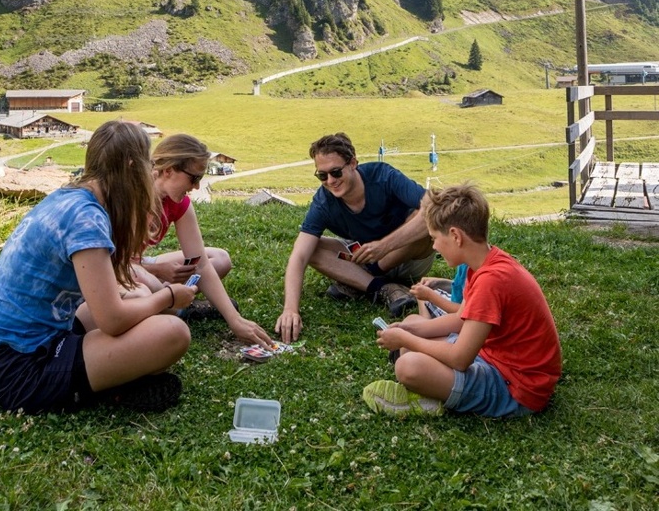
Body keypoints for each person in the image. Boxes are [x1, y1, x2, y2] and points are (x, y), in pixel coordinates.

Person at [0, 120, 194, 415]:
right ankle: (106, 388)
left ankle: (110, 375)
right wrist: (167, 298)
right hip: (21, 370)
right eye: (147, 164)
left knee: (138, 297)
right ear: (132, 166)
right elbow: (113, 321)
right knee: (173, 333)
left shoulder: (72, 197)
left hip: (18, 345)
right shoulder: (85, 218)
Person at [363, 183, 562, 418]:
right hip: (493, 357)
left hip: (518, 388)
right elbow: (460, 319)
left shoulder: (491, 281)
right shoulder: (483, 264)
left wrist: (406, 338)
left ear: (456, 236)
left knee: (408, 366)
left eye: (435, 238)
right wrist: (408, 329)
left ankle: (426, 400)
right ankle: (431, 388)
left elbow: (460, 359)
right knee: (415, 325)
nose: (435, 246)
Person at [276, 132, 435, 343]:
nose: (330, 181)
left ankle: (361, 279)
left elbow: (436, 206)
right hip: (364, 256)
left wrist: (383, 247)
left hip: (407, 257)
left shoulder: (383, 176)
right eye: (322, 176)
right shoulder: (323, 201)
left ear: (352, 163)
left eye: (335, 172)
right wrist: (290, 309)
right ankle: (382, 288)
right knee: (311, 247)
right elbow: (299, 256)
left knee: (424, 217)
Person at [134, 133, 274, 348]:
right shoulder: (132, 197)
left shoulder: (179, 203)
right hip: (121, 268)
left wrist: (234, 320)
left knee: (219, 258)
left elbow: (199, 262)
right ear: (169, 170)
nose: (197, 187)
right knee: (149, 286)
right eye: (194, 178)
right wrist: (157, 270)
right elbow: (109, 261)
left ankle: (173, 301)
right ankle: (175, 305)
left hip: (141, 263)